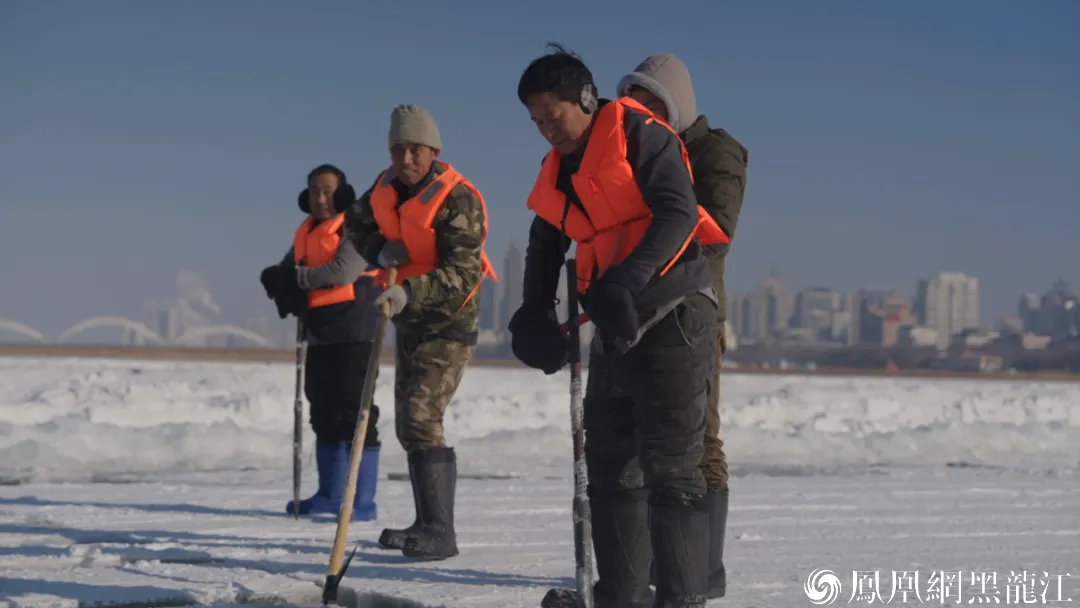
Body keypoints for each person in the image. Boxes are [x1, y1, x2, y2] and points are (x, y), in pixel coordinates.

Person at [509, 44, 730, 608]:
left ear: (585, 100)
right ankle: (619, 597)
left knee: (670, 467)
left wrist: (626, 278)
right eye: (535, 122)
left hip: (674, 312)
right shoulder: (560, 167)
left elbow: (678, 212)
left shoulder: (641, 135)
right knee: (608, 460)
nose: (546, 132)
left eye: (552, 117)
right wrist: (537, 310)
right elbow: (545, 238)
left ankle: (681, 598)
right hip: (615, 317)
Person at [616, 53, 749, 600]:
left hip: (692, 311)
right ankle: (656, 558)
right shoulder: (632, 149)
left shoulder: (715, 151)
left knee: (700, 438)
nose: (640, 113)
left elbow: (715, 225)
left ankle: (704, 568)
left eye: (650, 102)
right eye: (634, 102)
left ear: (673, 103)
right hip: (640, 310)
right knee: (644, 436)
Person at [345, 104, 498, 561]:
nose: (406, 159)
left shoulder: (458, 199)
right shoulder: (383, 186)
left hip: (448, 322)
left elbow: (464, 272)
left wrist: (409, 290)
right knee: (410, 428)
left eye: (415, 149)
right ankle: (425, 522)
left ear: (433, 150)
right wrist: (378, 248)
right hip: (408, 319)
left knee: (421, 418)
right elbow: (355, 223)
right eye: (398, 149)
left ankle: (440, 531)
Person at [259, 163, 385, 521]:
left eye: (328, 190)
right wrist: (279, 280)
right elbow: (287, 268)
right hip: (320, 332)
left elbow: (342, 271)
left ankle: (361, 501)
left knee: (356, 414)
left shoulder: (354, 226)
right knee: (323, 414)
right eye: (315, 190)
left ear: (343, 193)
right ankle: (330, 494)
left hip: (355, 332)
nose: (320, 198)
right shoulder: (308, 232)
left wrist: (294, 278)